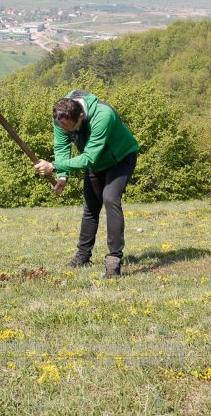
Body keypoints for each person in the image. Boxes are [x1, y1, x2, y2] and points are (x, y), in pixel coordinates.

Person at [34, 90, 138, 279]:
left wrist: (54, 166)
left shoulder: (103, 115)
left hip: (120, 158)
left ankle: (114, 261)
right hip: (96, 163)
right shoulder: (61, 116)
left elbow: (89, 157)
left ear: (81, 115)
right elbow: (62, 146)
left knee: (110, 198)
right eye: (63, 128)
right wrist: (62, 176)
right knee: (90, 206)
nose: (67, 132)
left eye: (71, 128)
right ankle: (82, 256)